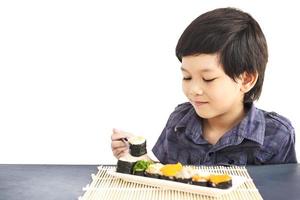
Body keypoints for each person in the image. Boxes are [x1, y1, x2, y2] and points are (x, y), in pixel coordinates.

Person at [111, 7, 297, 165]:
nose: (193, 90)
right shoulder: (179, 122)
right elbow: (165, 176)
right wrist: (138, 156)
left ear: (246, 79)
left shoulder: (277, 134)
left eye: (208, 79)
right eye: (187, 77)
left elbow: (284, 190)